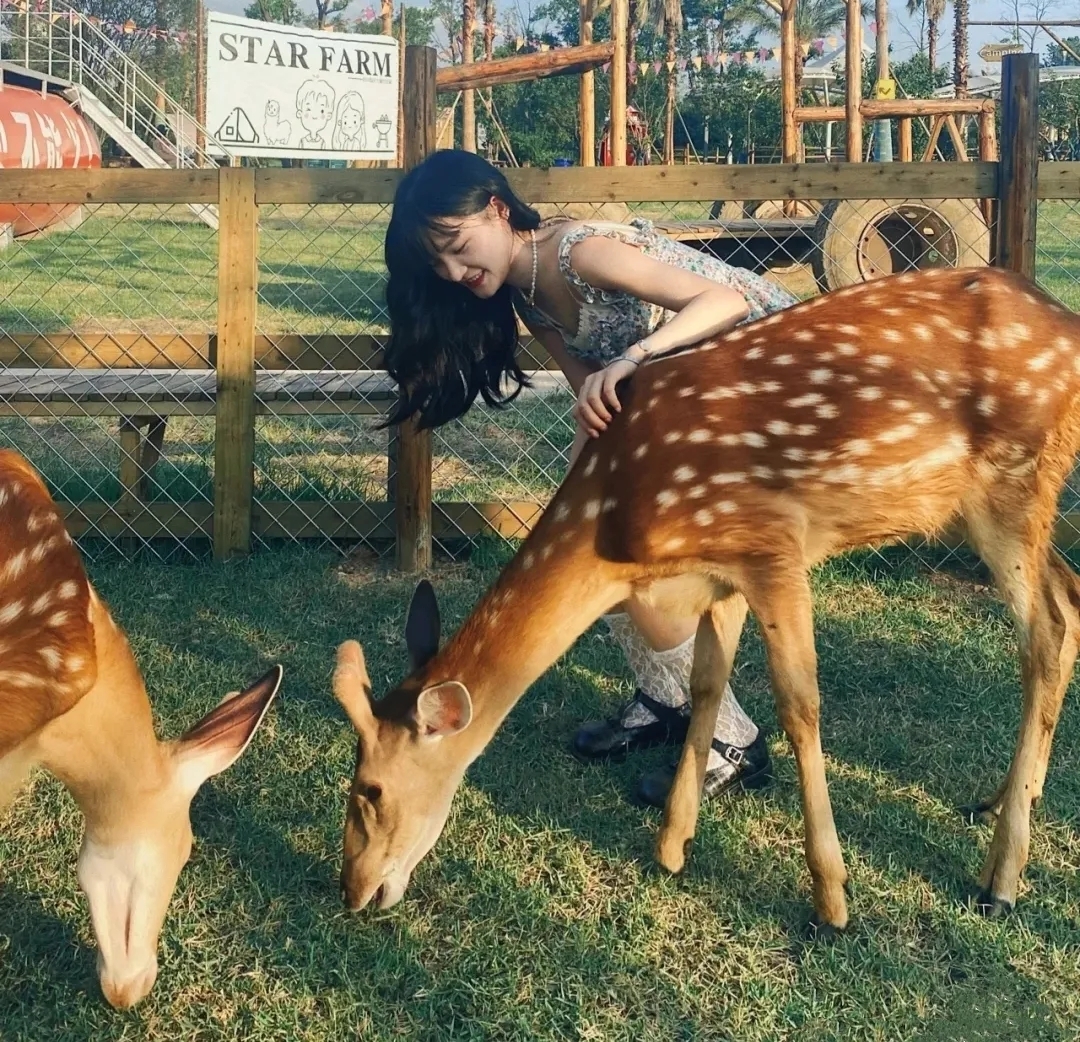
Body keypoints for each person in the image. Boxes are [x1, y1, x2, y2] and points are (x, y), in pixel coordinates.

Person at [382, 149, 798, 807]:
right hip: (686, 402)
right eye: (440, 266)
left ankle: (732, 742)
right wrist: (571, 509)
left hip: (769, 375)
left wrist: (636, 357)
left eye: (459, 248)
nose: (456, 273)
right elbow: (594, 404)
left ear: (496, 208)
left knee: (629, 561)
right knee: (585, 546)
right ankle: (666, 698)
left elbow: (726, 299)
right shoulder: (527, 296)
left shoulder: (580, 253)